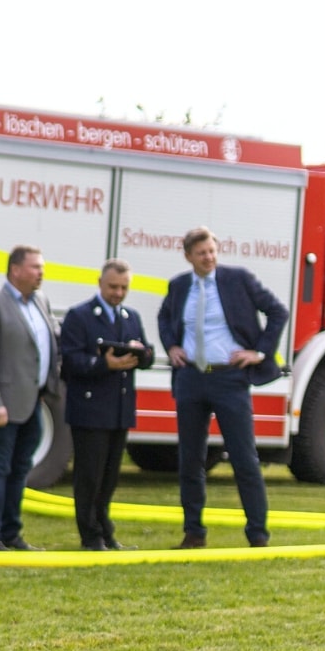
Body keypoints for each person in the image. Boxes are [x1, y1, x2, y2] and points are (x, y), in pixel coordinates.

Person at [158, 227, 289, 549]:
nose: (208, 257)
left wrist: (259, 352)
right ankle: (193, 533)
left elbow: (277, 311)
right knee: (190, 459)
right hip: (191, 378)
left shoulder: (237, 279)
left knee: (244, 458)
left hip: (230, 379)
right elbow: (164, 319)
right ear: (188, 256)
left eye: (212, 251)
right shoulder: (179, 286)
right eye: (201, 253)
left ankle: (257, 534)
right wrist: (171, 345)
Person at [0, 244, 61, 551]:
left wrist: (45, 388)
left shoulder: (41, 302)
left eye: (42, 268)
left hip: (33, 401)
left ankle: (12, 533)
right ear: (16, 269)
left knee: (21, 469)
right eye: (36, 268)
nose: (41, 274)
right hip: (3, 406)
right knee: (0, 468)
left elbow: (42, 347)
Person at [60, 260, 154, 550]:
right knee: (89, 477)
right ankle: (90, 536)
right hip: (90, 412)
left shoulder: (130, 317)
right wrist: (105, 364)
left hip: (118, 410)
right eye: (113, 286)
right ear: (100, 283)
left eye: (124, 287)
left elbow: (148, 358)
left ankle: (106, 532)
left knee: (110, 478)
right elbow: (70, 362)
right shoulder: (80, 316)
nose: (118, 293)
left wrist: (141, 354)